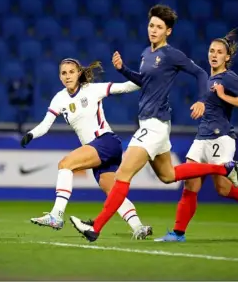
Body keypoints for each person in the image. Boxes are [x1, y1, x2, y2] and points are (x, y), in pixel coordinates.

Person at [69, 4, 238, 242]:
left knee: (122, 175)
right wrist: (123, 70)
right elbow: (144, 81)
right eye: (151, 25)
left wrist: (202, 100)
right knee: (168, 175)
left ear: (168, 31)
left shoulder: (171, 54)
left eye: (159, 27)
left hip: (155, 125)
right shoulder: (145, 53)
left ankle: (95, 228)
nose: (153, 30)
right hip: (150, 124)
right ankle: (223, 168)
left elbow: (201, 73)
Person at [154, 30, 238, 242]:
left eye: (219, 52)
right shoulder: (206, 77)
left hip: (221, 138)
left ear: (227, 57)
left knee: (223, 188)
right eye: (211, 51)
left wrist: (223, 95)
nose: (214, 54)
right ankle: (178, 233)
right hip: (201, 136)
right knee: (191, 185)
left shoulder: (228, 77)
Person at [21, 58, 153, 239]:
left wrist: (146, 79)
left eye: (71, 72)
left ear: (79, 73)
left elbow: (124, 87)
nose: (67, 76)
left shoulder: (91, 89)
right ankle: (138, 227)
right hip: (97, 150)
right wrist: (31, 134)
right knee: (113, 192)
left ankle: (56, 215)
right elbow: (45, 125)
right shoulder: (59, 98)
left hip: (105, 141)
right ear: (60, 77)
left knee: (65, 164)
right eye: (63, 73)